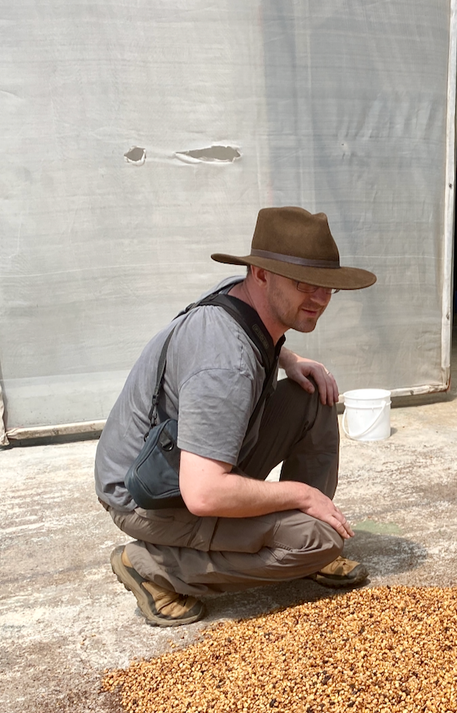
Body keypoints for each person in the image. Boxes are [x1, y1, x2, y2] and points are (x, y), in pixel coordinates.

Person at [95, 206, 377, 627]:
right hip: (149, 493)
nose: (319, 299)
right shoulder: (226, 365)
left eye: (328, 286)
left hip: (187, 461)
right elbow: (204, 493)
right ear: (262, 274)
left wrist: (290, 358)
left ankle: (305, 535)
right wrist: (302, 495)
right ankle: (151, 564)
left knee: (311, 395)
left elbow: (256, 331)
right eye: (305, 283)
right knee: (318, 541)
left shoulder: (241, 294)